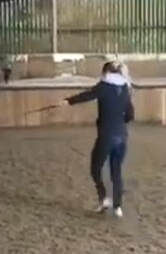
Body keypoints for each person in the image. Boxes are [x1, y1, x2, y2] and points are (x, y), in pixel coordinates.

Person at [56, 61, 134, 218]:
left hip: (107, 135)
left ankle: (104, 198)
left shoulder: (104, 85)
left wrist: (68, 101)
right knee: (116, 171)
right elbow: (131, 115)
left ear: (105, 73)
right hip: (122, 136)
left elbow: (87, 95)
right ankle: (118, 207)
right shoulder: (125, 88)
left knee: (95, 168)